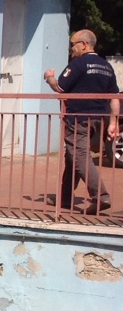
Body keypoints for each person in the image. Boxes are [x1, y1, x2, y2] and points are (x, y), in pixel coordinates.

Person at [43, 29, 120, 214]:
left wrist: (49, 77)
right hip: (98, 120)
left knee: (79, 157)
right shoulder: (106, 66)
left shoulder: (78, 64)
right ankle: (65, 198)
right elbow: (115, 98)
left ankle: (101, 196)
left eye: (73, 44)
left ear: (84, 44)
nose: (71, 48)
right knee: (73, 156)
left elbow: (60, 87)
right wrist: (113, 122)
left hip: (78, 118)